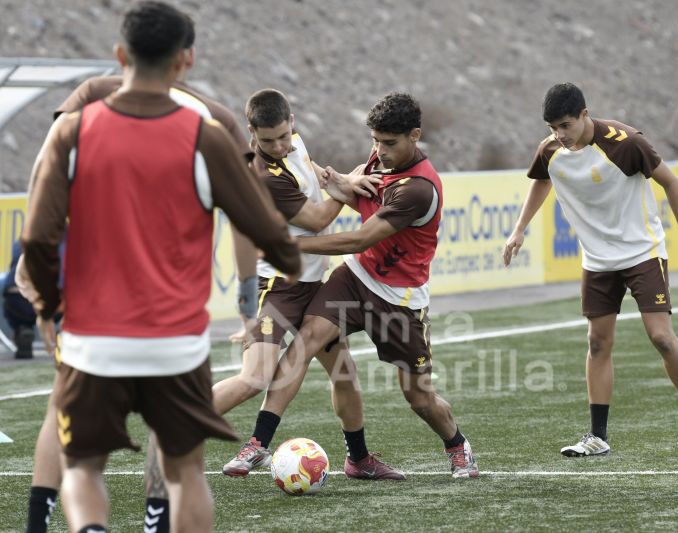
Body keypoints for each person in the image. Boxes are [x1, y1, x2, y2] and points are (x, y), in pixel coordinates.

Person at [21, 2, 300, 532]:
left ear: (119, 55)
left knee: (83, 464)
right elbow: (263, 230)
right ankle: (157, 519)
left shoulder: (75, 123)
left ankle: (67, 523)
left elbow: (38, 230)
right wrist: (254, 290)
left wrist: (47, 303)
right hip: (176, 339)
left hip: (92, 332)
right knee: (186, 471)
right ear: (187, 59)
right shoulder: (211, 131)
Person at [243, 92, 480, 479]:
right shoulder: (378, 160)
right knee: (306, 342)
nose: (379, 151)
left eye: (389, 143)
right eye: (375, 140)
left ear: (415, 135)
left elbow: (357, 238)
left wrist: (288, 244)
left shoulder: (418, 189)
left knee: (418, 397)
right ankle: (259, 443)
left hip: (398, 298)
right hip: (354, 278)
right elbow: (364, 205)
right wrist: (342, 181)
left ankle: (457, 445)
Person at [503, 82, 678, 457]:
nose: (559, 135)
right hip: (597, 260)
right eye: (553, 127)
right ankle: (597, 436)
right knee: (597, 343)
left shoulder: (626, 142)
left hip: (642, 252)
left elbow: (672, 183)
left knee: (661, 337)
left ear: (585, 114)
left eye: (566, 125)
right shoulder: (550, 149)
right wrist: (519, 230)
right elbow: (541, 182)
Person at [215, 88, 404, 479]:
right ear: (251, 133)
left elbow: (311, 168)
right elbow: (318, 220)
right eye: (268, 141)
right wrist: (344, 188)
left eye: (284, 136)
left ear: (292, 123)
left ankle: (359, 459)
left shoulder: (294, 145)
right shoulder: (262, 175)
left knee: (345, 375)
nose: (279, 146)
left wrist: (332, 177)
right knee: (254, 376)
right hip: (278, 288)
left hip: (316, 285)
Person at [3, 241, 37, 359]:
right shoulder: (55, 243)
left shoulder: (18, 245)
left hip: (15, 296)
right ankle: (60, 335)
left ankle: (21, 329)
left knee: (9, 306)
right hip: (41, 298)